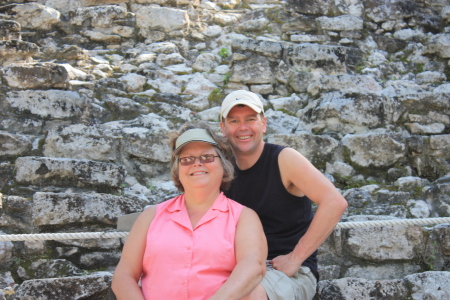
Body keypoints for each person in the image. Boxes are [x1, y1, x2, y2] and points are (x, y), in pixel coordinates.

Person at [111, 123, 267, 300]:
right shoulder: (150, 216)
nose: (197, 164)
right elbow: (123, 276)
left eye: (207, 157)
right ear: (178, 169)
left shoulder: (243, 217)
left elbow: (253, 266)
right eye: (187, 159)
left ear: (223, 164)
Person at [220, 90, 348, 300]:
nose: (243, 127)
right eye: (234, 121)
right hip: (242, 268)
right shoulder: (223, 170)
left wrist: (295, 258)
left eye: (250, 119)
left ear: (263, 124)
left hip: (285, 271)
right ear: (223, 128)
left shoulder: (284, 159)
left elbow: (335, 202)